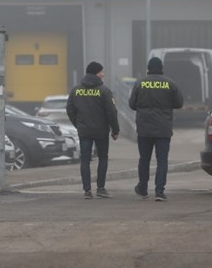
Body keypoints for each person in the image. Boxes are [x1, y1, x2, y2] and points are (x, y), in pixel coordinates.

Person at [129, 56, 184, 201]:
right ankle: (159, 191)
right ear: (161, 68)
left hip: (144, 128)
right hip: (163, 128)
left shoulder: (140, 83)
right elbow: (179, 103)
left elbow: (132, 105)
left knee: (144, 159)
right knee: (162, 160)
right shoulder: (169, 83)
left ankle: (143, 188)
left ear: (148, 68)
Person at [66, 61, 120, 199]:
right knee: (103, 158)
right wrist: (115, 129)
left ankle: (87, 191)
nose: (103, 74)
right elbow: (112, 112)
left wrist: (78, 124)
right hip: (101, 131)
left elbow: (70, 109)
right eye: (102, 71)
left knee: (85, 160)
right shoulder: (104, 90)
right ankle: (101, 188)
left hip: (84, 131)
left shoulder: (76, 90)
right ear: (97, 73)